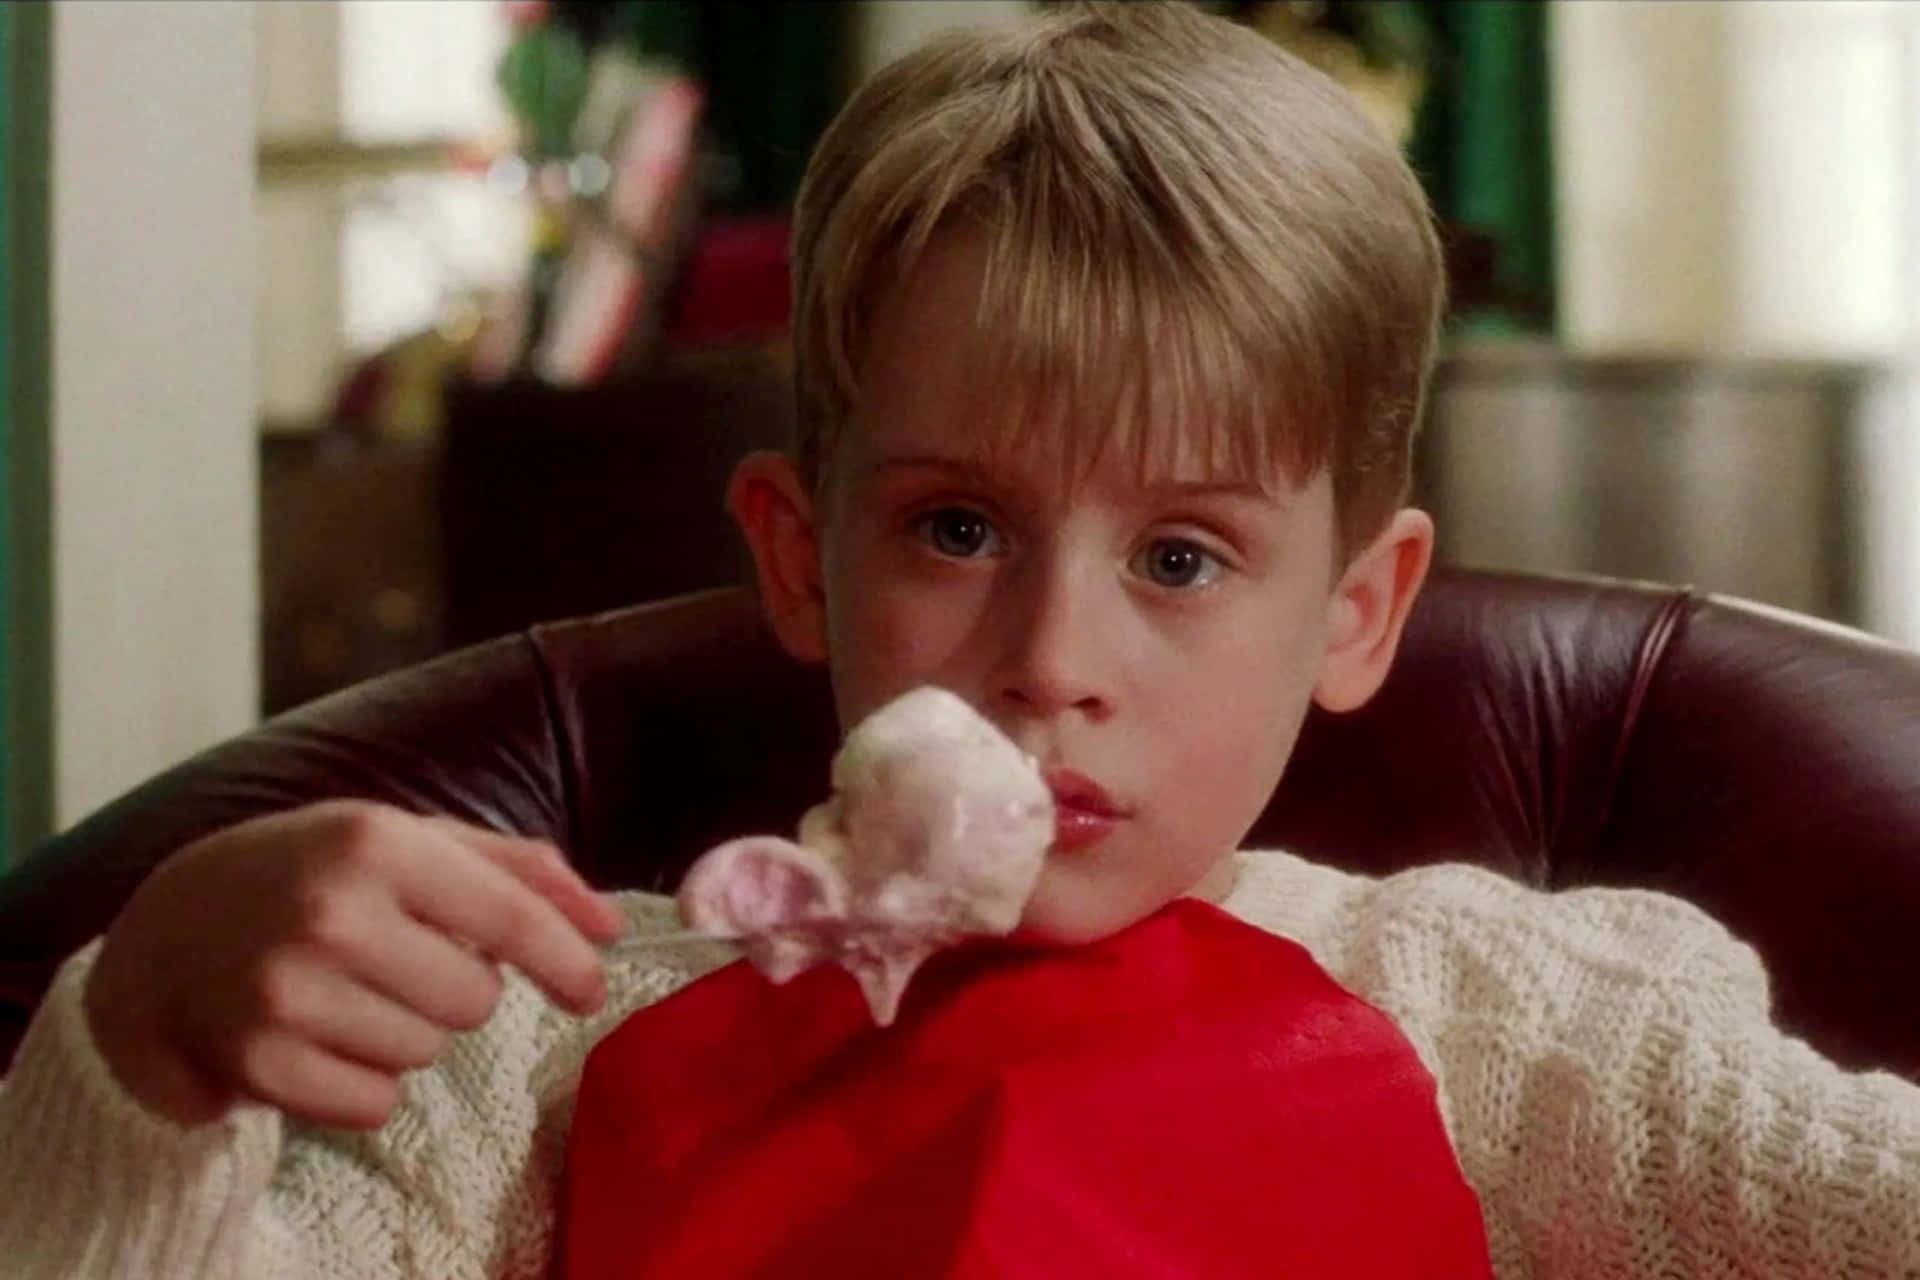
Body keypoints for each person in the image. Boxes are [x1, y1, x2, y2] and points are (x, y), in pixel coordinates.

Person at [4, 4, 1920, 1276]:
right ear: (801, 557)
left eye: (1181, 556)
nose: (1049, 656)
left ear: (1358, 612)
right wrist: (152, 1041)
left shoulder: (1520, 1028)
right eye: (958, 528)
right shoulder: (521, 1066)